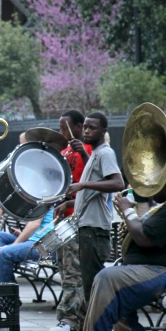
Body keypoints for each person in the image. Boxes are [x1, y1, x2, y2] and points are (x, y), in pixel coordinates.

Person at [62, 176, 166, 331]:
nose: (150, 191)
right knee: (112, 276)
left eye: (155, 187)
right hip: (162, 270)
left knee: (108, 277)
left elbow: (143, 238)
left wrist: (128, 212)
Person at [54, 113, 124, 312]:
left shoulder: (105, 153)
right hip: (87, 226)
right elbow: (92, 194)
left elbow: (118, 183)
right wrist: (69, 204)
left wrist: (82, 183)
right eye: (85, 127)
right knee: (88, 285)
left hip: (95, 229)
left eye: (91, 128)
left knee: (92, 285)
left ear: (103, 131)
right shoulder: (94, 153)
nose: (86, 131)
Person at [49, 109, 94, 331]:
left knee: (73, 272)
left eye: (64, 127)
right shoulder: (65, 150)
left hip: (78, 219)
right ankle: (79, 320)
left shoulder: (88, 149)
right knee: (64, 269)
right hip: (64, 218)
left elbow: (93, 182)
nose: (61, 132)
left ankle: (69, 319)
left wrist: (83, 155)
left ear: (78, 127)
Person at [0, 211, 54, 283]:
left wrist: (13, 245)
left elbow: (34, 224)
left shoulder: (44, 201)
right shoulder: (37, 204)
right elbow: (28, 224)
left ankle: (3, 290)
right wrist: (22, 234)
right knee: (0, 236)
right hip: (32, 239)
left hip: (42, 244)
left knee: (4, 253)